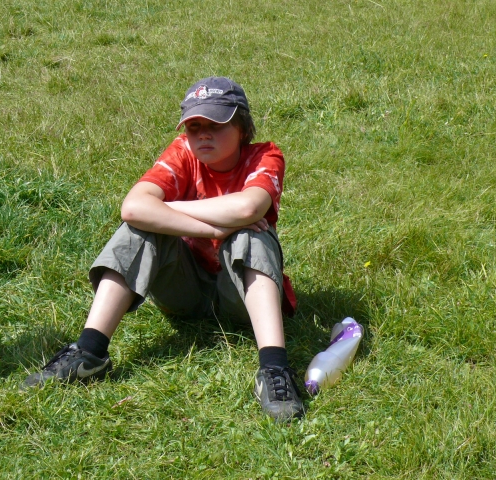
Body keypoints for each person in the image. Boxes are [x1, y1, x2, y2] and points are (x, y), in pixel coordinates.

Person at [22, 77, 304, 422]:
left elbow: (248, 208)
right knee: (140, 228)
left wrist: (169, 208)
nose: (203, 135)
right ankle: (90, 352)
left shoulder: (265, 156)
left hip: (241, 298)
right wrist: (213, 226)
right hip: (184, 292)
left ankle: (274, 370)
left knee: (250, 235)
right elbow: (133, 208)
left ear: (242, 128)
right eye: (194, 127)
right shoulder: (182, 152)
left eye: (216, 125)